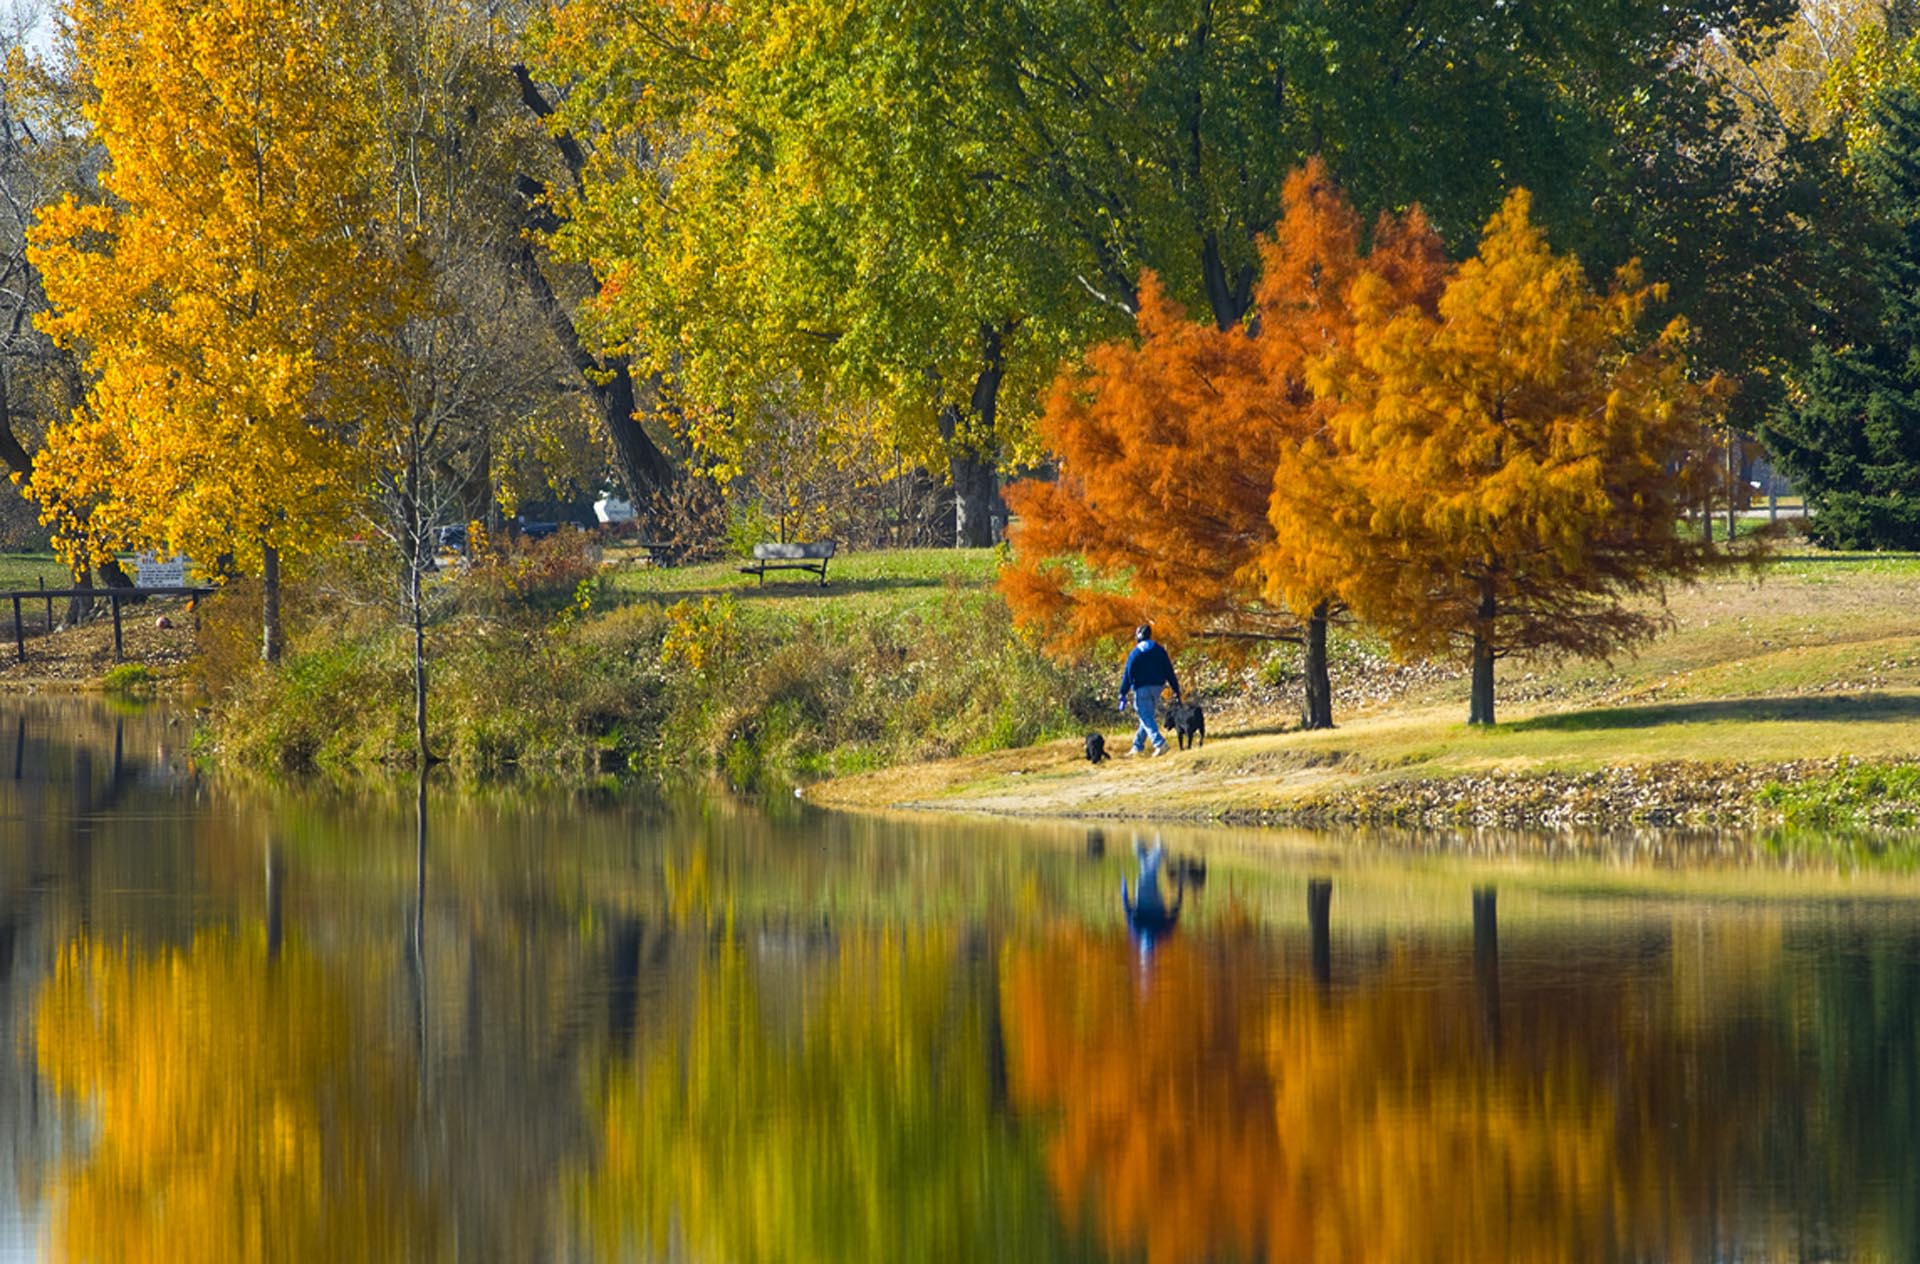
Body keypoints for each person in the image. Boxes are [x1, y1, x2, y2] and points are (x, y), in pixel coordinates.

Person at [1117, 622, 1181, 756]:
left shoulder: (1135, 653)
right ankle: (1137, 746)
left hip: (1142, 688)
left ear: (1138, 636)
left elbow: (1128, 674)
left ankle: (1160, 743)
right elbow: (1169, 671)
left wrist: (1122, 693)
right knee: (1147, 716)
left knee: (1145, 716)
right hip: (1158, 687)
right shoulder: (1159, 650)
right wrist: (1176, 689)